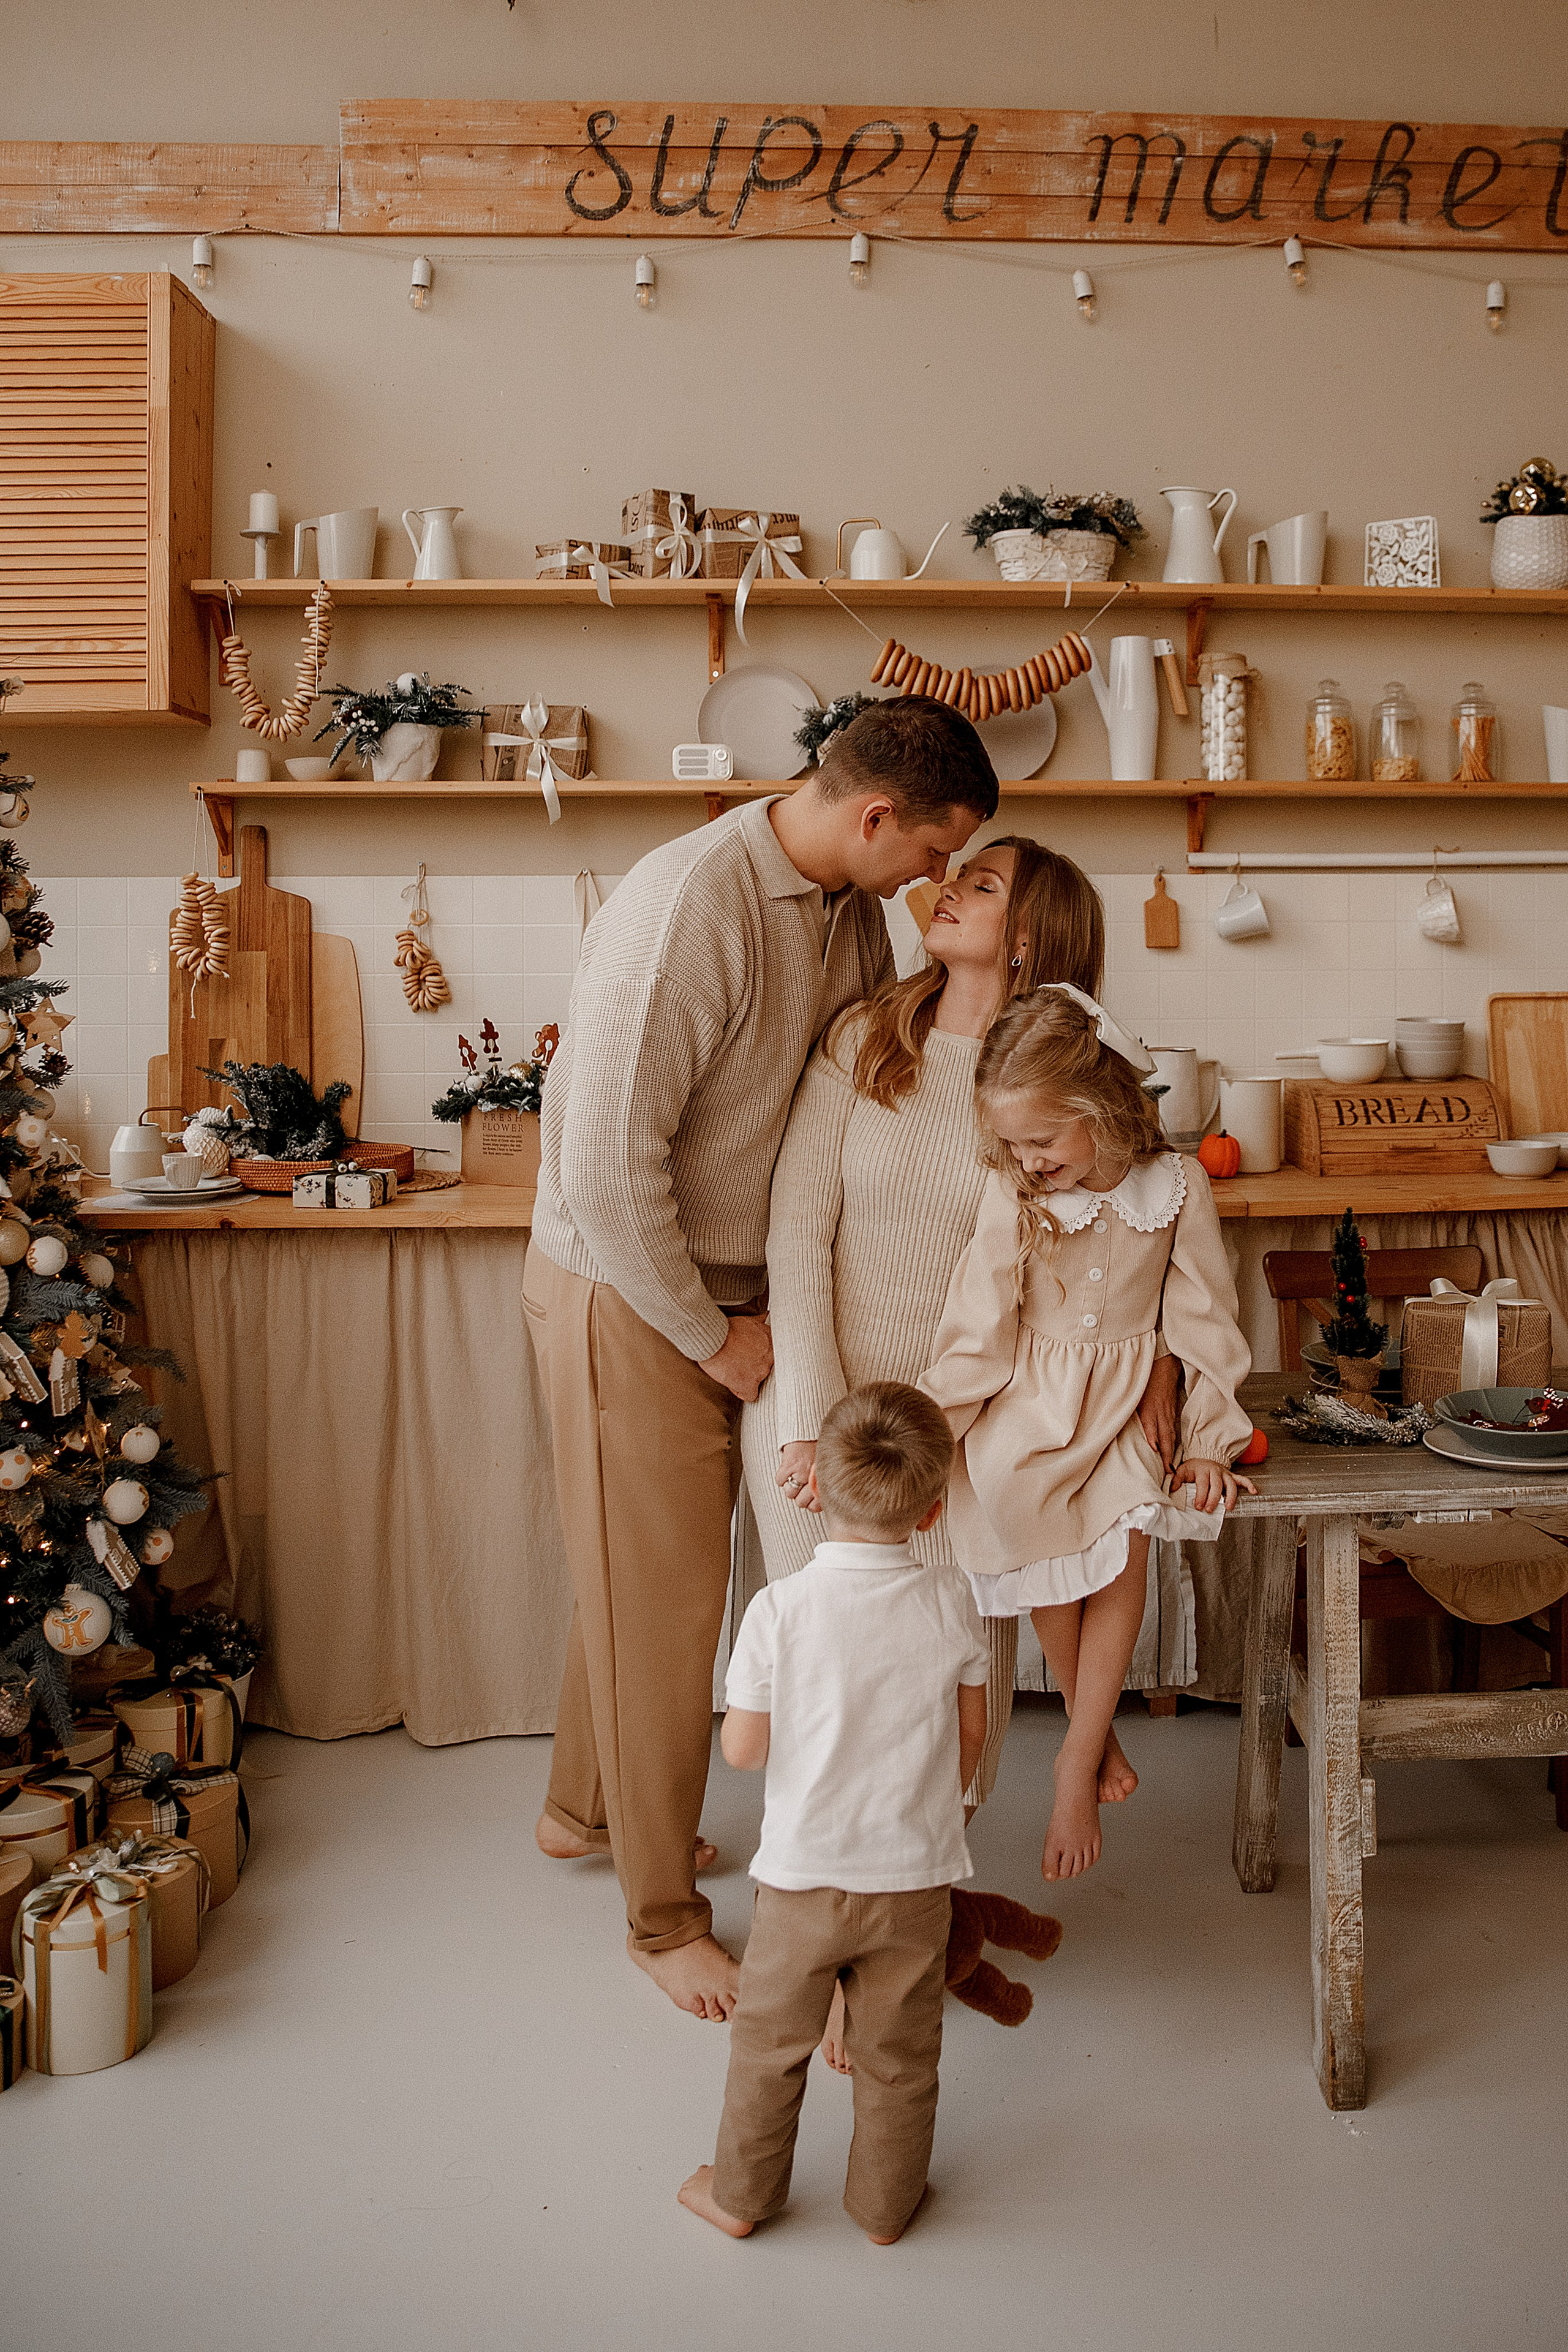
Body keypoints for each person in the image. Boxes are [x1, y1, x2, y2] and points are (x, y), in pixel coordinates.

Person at [524, 698, 999, 2024]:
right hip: (628, 1283)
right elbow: (604, 1178)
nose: (931, 886)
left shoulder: (844, 902)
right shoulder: (688, 910)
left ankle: (580, 1810)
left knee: (636, 1572)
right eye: (929, 857)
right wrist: (715, 1335)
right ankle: (660, 1920)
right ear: (871, 817)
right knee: (672, 1598)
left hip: (725, 1287)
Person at [744, 839, 1178, 1826]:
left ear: (1027, 941)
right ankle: (825, 1905)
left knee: (955, 1692)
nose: (946, 891)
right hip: (828, 1419)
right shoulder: (867, 1041)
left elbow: (1128, 1250)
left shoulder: (1076, 1086)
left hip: (977, 1441)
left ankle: (920, 1905)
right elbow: (798, 1235)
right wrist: (812, 1423)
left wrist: (1160, 1365)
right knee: (834, 1686)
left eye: (981, 886)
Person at [921, 985, 1254, 1883]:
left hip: (1122, 1409)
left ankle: (1076, 1757)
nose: (1028, 1162)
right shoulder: (1011, 1191)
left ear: (1101, 1108)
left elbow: (1205, 1319)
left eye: (1044, 1141)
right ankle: (1093, 1727)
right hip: (1030, 1401)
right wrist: (928, 1438)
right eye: (1015, 1145)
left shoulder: (1176, 1186)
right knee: (1024, 1521)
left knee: (1127, 1534)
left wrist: (1205, 1441)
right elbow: (976, 1326)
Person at [679, 1381, 988, 2245]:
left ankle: (740, 2197)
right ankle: (885, 2210)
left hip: (802, 1882)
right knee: (900, 2063)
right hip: (915, 1876)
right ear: (933, 1512)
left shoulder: (778, 1610)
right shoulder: (952, 1601)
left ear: (815, 1490)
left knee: (769, 2050)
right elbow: (971, 1740)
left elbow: (742, 1750)